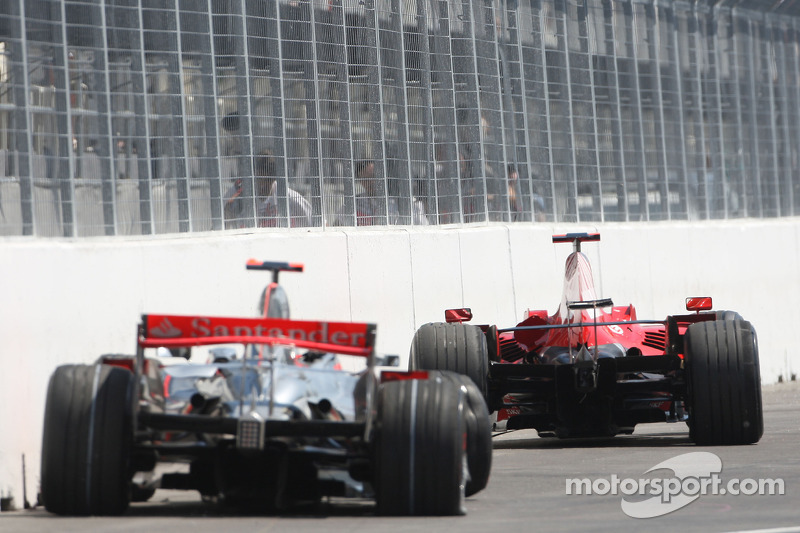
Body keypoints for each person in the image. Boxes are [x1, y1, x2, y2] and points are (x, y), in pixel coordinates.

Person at [223, 152, 313, 228]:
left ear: (273, 179)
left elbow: (316, 223)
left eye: (266, 180)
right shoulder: (238, 193)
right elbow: (219, 223)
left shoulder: (289, 197)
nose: (262, 185)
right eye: (258, 179)